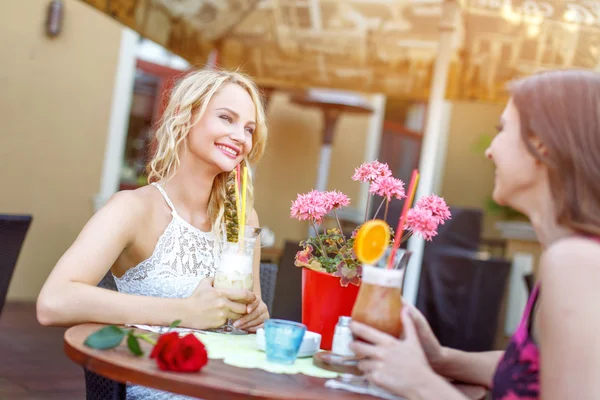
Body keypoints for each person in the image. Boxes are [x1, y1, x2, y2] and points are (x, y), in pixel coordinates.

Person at [349, 69, 600, 399]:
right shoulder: (570, 257)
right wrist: (441, 358)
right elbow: (531, 370)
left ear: (542, 144)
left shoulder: (577, 263)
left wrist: (420, 383)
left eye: (502, 129)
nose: (490, 150)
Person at [37, 68, 270, 398]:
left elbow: (248, 318)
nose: (241, 137)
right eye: (226, 118)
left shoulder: (243, 219)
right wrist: (186, 313)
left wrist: (256, 314)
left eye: (249, 129)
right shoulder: (133, 209)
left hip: (229, 385)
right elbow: (53, 302)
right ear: (185, 117)